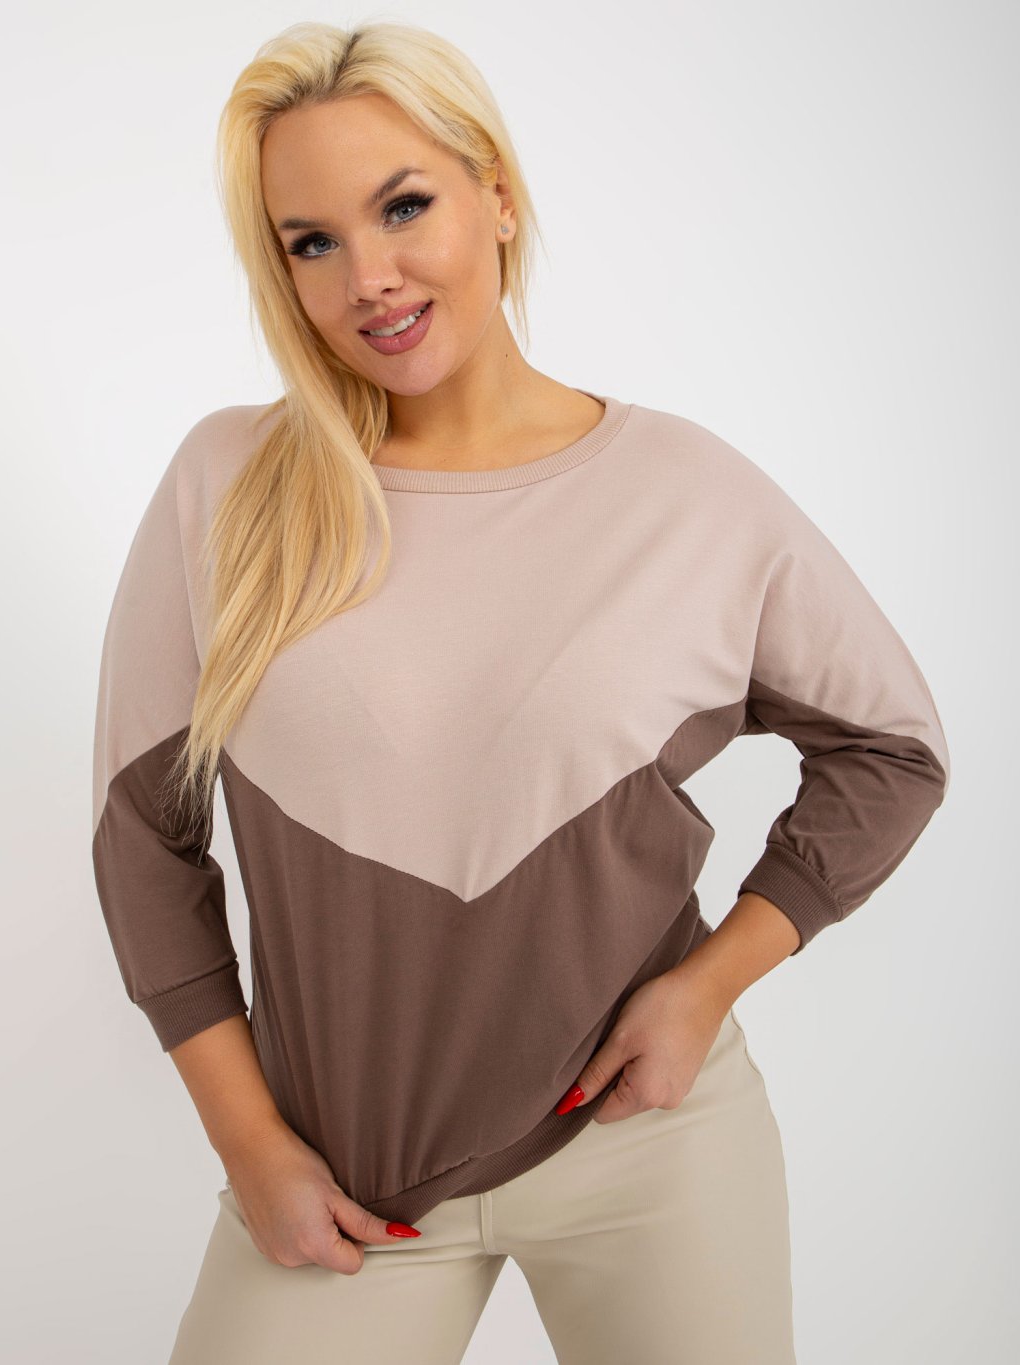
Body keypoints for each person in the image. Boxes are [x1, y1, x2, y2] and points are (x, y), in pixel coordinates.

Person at [90, 19, 950, 1365]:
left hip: (645, 1146)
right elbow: (141, 837)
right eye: (311, 242)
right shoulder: (231, 486)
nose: (369, 277)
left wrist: (709, 984)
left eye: (404, 207)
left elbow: (894, 749)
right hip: (341, 1177)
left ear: (496, 195)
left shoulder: (685, 495)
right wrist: (247, 1140)